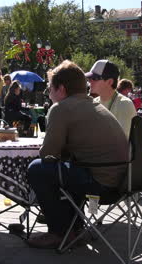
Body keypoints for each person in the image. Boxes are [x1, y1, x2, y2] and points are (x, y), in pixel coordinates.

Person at [26, 60, 129, 249]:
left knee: (37, 169)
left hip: (102, 186)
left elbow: (48, 153)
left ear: (62, 89)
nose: (48, 93)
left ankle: (59, 232)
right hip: (123, 182)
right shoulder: (94, 106)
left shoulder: (61, 109)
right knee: (66, 169)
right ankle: (75, 228)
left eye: (50, 89)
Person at [88, 60, 137, 138]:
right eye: (89, 78)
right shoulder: (93, 103)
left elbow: (121, 142)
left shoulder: (124, 104)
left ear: (109, 82)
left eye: (94, 78)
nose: (90, 81)